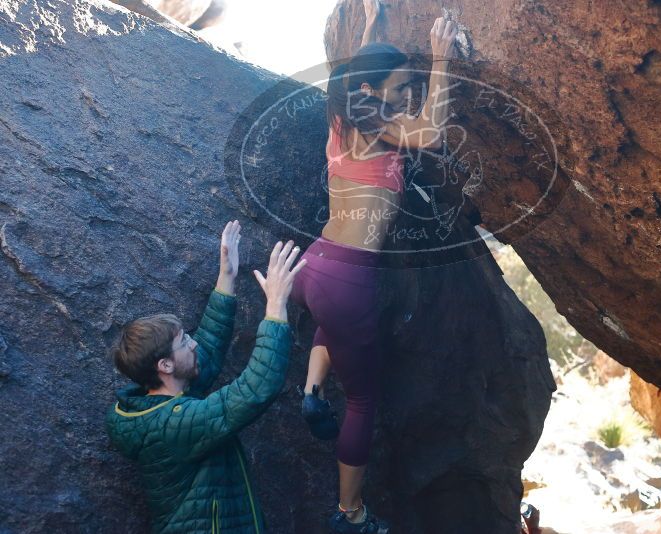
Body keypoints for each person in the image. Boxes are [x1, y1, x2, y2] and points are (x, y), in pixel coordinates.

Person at [288, 1, 458, 531]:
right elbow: (431, 132)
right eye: (401, 83)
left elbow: (362, 62)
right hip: (346, 276)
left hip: (317, 265)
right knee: (362, 399)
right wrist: (440, 57)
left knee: (336, 321)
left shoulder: (343, 114)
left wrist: (368, 21)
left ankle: (313, 387)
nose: (408, 90)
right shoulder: (379, 123)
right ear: (373, 89)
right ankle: (350, 514)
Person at [105, 220, 307, 534]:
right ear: (165, 366)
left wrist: (227, 275)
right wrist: (276, 306)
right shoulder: (174, 424)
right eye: (184, 341)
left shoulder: (165, 402)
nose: (194, 342)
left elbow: (209, 345)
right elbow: (254, 389)